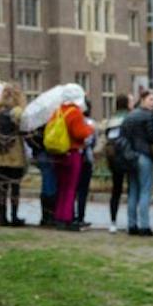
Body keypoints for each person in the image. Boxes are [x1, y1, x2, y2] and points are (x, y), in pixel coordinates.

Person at [50, 86, 95, 232]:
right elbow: (80, 133)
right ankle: (67, 217)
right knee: (71, 188)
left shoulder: (58, 110)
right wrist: (90, 129)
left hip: (58, 152)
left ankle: (59, 216)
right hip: (72, 152)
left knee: (62, 187)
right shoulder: (75, 112)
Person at [0, 86, 29, 227]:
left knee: (0, 188)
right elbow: (26, 129)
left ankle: (2, 217)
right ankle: (14, 216)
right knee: (14, 188)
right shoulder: (17, 112)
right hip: (14, 155)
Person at [120, 89, 153, 236]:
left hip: (131, 156)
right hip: (144, 154)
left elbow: (123, 135)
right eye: (151, 99)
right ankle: (145, 226)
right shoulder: (149, 115)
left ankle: (132, 224)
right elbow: (150, 137)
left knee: (133, 191)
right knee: (145, 191)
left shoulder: (130, 115)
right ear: (143, 100)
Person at [103, 94, 133, 233]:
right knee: (132, 189)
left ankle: (113, 222)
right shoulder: (130, 117)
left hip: (113, 156)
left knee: (116, 190)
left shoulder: (112, 119)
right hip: (127, 155)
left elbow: (107, 136)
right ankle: (131, 222)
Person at [74, 101, 96, 227]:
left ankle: (71, 215)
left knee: (73, 188)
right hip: (86, 158)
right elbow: (92, 142)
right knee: (83, 190)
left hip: (75, 156)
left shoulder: (75, 122)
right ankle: (81, 216)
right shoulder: (91, 123)